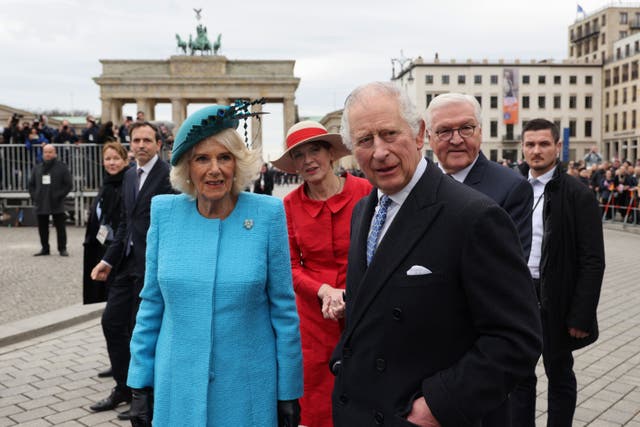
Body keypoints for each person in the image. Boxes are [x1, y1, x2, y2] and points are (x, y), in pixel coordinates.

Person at [330, 82, 542, 427]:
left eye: (389, 133)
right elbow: (363, 309)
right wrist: (342, 361)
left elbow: (517, 339)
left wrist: (439, 404)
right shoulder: (363, 212)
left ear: (418, 134)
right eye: (365, 140)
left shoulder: (474, 216)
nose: (379, 151)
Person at [126, 104, 303, 426]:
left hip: (248, 388)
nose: (214, 170)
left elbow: (284, 310)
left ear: (238, 164)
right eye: (202, 159)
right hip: (177, 386)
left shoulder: (267, 215)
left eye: (225, 158)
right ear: (187, 167)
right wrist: (139, 384)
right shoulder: (165, 214)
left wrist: (289, 391)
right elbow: (151, 303)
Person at [272, 120, 371, 427]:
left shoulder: (365, 191)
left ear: (331, 154)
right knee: (317, 400)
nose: (308, 160)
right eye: (299, 155)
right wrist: (323, 291)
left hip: (363, 308)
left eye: (314, 150)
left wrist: (349, 293)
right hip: (315, 316)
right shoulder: (288, 205)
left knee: (366, 391)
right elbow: (288, 266)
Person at [512, 119, 605, 427]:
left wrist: (581, 314)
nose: (536, 151)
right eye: (530, 144)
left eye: (543, 144)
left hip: (556, 295)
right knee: (519, 373)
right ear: (522, 147)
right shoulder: (513, 188)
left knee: (559, 370)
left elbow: (593, 259)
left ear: (557, 147)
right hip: (518, 293)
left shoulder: (577, 194)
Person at [89, 121, 173, 419]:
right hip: (126, 264)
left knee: (143, 331)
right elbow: (125, 223)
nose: (140, 145)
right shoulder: (128, 177)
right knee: (112, 323)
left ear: (158, 144)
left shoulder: (170, 176)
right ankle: (123, 387)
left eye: (146, 140)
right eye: (135, 140)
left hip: (154, 265)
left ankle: (146, 397)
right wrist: (108, 260)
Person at [425, 92, 533, 258]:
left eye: (466, 128)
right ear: (429, 137)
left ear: (480, 132)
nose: (456, 140)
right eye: (444, 131)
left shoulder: (512, 188)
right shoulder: (418, 183)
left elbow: (508, 267)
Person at [83, 142, 129, 304]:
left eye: (116, 158)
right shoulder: (106, 184)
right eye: (107, 159)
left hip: (122, 253)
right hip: (103, 249)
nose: (111, 163)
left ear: (125, 161)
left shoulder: (129, 184)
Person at [28, 144, 72, 257]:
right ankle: (45, 248)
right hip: (41, 202)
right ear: (43, 154)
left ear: (55, 153)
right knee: (42, 227)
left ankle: (62, 248)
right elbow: (31, 185)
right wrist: (35, 196)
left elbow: (68, 185)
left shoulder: (62, 167)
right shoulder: (37, 168)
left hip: (57, 202)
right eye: (45, 152)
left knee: (60, 227)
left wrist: (59, 195)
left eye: (50, 152)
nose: (48, 154)